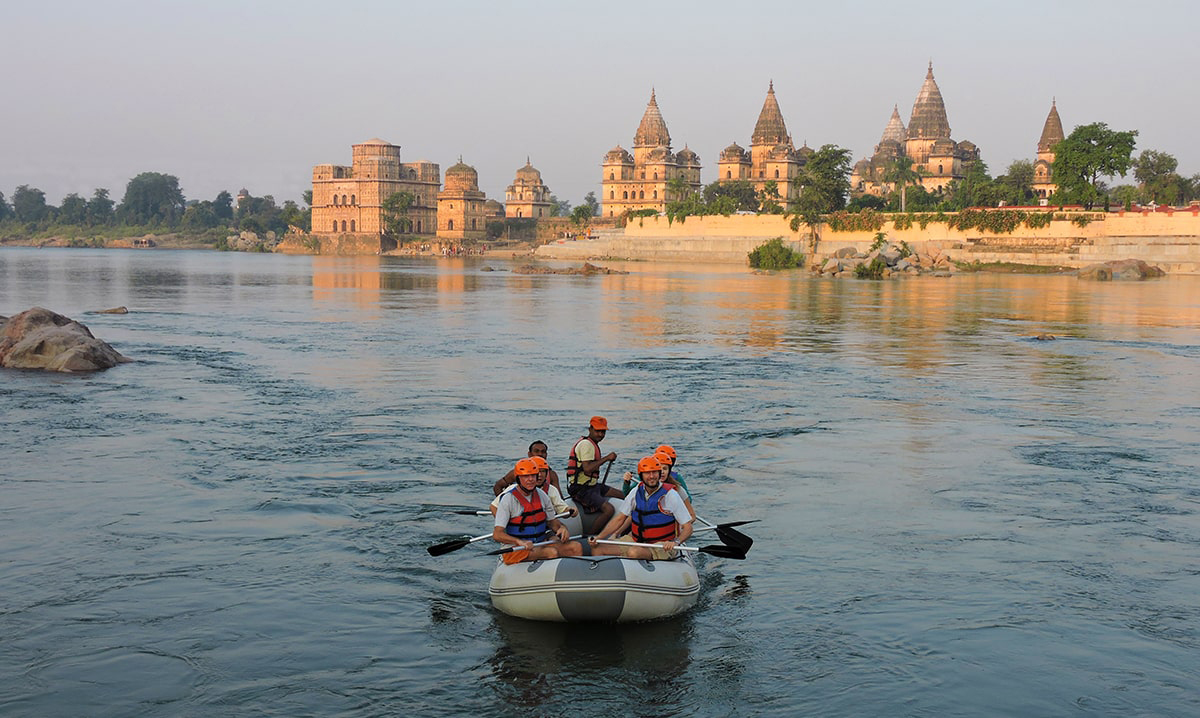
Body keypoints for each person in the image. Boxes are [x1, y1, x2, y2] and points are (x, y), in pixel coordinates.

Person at [589, 455, 693, 560]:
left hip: (661, 546)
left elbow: (688, 528)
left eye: (655, 472)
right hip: (636, 540)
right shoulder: (635, 492)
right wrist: (599, 537)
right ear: (641, 475)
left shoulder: (671, 495)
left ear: (659, 473)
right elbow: (620, 519)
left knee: (634, 552)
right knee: (598, 548)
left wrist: (676, 542)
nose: (652, 476)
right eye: (647, 473)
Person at [493, 458, 582, 565]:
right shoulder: (508, 499)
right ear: (518, 478)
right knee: (551, 552)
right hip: (515, 548)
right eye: (526, 476)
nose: (530, 479)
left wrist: (562, 528)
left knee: (575, 547)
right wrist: (519, 542)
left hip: (539, 543)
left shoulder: (542, 495)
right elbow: (497, 534)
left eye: (533, 476)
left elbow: (552, 522)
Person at [566, 416, 621, 522]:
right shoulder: (586, 444)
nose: (600, 434)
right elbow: (587, 469)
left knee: (622, 495)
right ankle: (592, 537)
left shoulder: (591, 444)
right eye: (597, 431)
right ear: (590, 429)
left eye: (603, 432)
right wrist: (607, 458)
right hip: (581, 489)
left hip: (592, 486)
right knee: (609, 510)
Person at [491, 455, 576, 518]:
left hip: (542, 530)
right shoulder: (512, 490)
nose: (540, 475)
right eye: (537, 472)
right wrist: (504, 523)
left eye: (543, 471)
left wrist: (570, 511)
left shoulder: (551, 491)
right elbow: (494, 507)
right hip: (519, 532)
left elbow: (561, 510)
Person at [494, 440, 562, 496]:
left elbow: (559, 497)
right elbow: (497, 487)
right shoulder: (517, 473)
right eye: (536, 451)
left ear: (546, 455)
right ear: (529, 454)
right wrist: (502, 504)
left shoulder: (552, 475)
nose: (540, 454)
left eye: (543, 452)